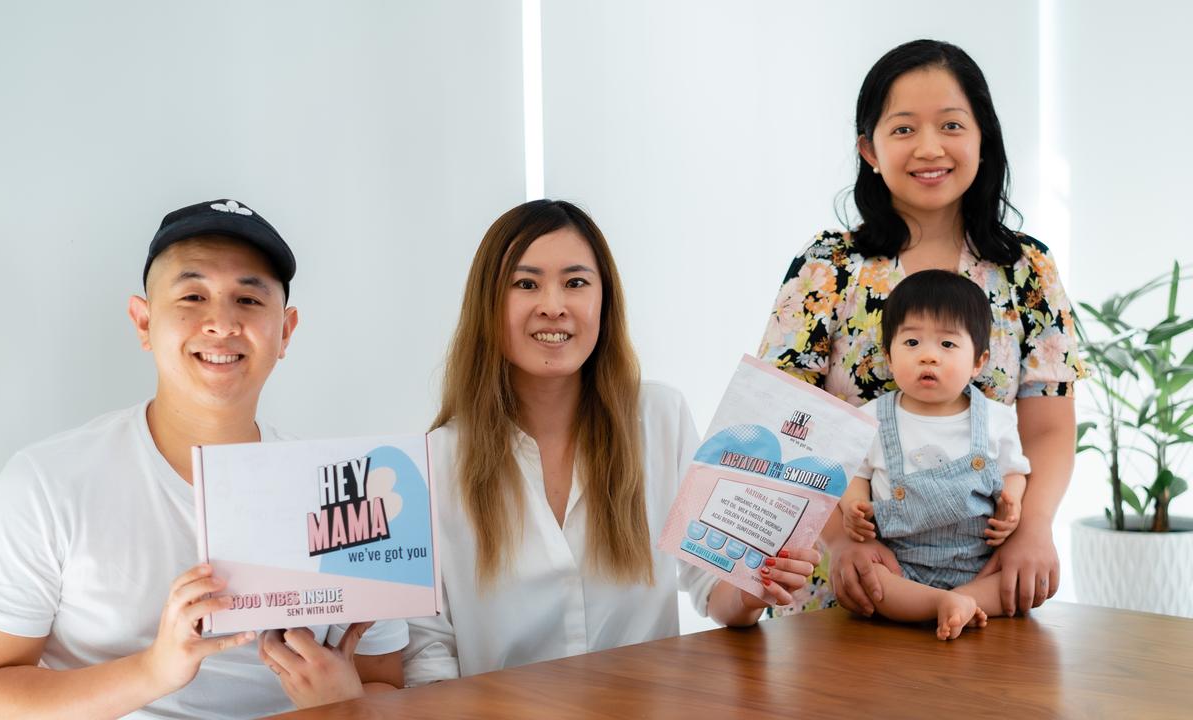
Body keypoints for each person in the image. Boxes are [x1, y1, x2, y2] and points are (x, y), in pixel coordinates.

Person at [0, 199, 406, 718]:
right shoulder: (46, 485)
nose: (221, 323)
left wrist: (345, 705)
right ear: (143, 322)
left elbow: (386, 684)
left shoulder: (346, 493)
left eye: (249, 300)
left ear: (286, 332)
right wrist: (154, 670)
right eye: (192, 295)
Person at [402, 199, 820, 685]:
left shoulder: (659, 417)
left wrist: (754, 588)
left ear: (605, 300)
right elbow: (427, 652)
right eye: (526, 283)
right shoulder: (435, 462)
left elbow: (715, 589)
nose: (553, 305)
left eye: (576, 283)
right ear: (487, 303)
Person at [758, 39, 1085, 619]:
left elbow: (1050, 422)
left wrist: (1033, 529)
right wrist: (838, 538)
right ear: (870, 149)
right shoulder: (827, 269)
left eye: (952, 125)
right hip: (850, 584)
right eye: (904, 129)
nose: (929, 148)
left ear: (983, 138)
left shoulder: (1027, 270)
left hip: (984, 580)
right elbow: (787, 421)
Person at [838, 270, 1027, 639]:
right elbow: (854, 472)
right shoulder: (872, 417)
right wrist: (853, 507)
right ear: (889, 357)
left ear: (978, 361)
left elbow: (1015, 470)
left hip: (979, 564)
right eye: (911, 342)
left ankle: (964, 599)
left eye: (947, 345)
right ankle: (938, 603)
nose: (928, 356)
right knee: (872, 582)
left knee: (1018, 585)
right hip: (901, 565)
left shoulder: (995, 420)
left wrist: (1012, 503)